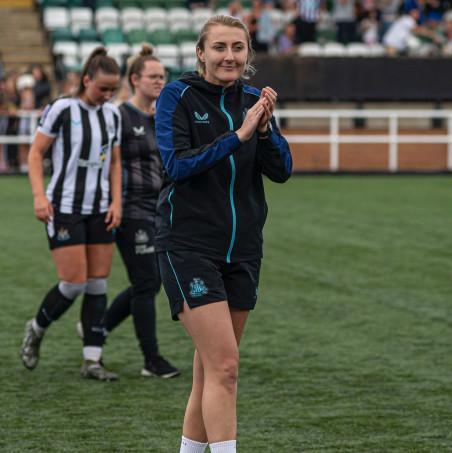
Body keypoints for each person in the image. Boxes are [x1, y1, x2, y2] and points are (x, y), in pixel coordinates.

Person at [154, 15, 292, 453]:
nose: (229, 56)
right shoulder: (176, 96)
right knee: (226, 366)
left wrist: (265, 129)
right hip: (188, 245)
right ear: (201, 53)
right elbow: (176, 165)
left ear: (248, 54)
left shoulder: (254, 101)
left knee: (211, 370)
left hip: (244, 251)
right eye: (219, 47)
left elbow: (283, 171)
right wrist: (239, 135)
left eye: (237, 47)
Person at [20, 47, 122, 381]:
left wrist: (116, 201)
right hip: (64, 207)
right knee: (75, 282)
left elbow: (116, 162)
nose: (107, 95)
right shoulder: (63, 109)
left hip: (100, 208)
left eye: (112, 90)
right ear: (86, 79)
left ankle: (92, 360)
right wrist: (39, 196)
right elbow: (36, 153)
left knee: (97, 283)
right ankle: (36, 328)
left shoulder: (113, 115)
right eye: (102, 88)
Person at [79, 44, 180, 378]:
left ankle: (98, 327)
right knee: (147, 281)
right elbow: (108, 161)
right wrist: (111, 201)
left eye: (163, 76)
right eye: (153, 76)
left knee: (147, 284)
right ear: (135, 79)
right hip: (129, 209)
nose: (160, 82)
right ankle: (151, 360)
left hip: (159, 209)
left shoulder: (161, 118)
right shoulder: (120, 115)